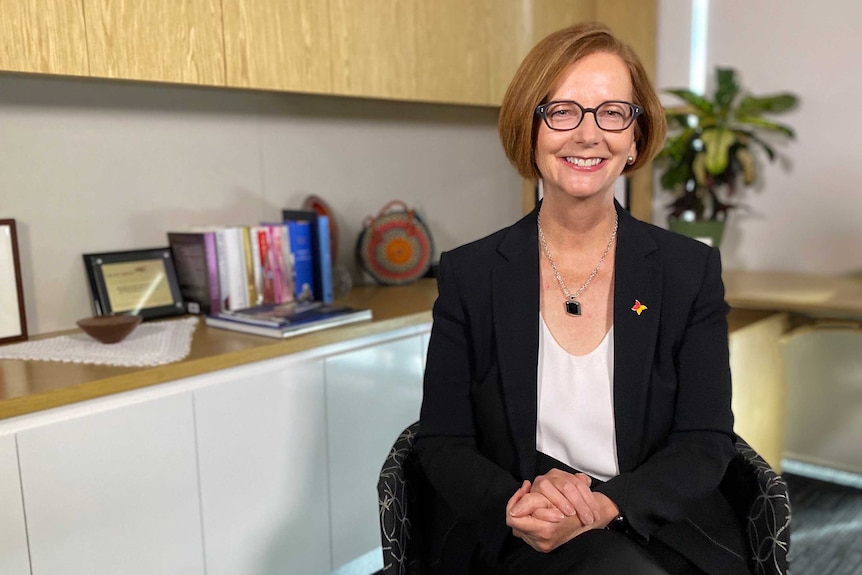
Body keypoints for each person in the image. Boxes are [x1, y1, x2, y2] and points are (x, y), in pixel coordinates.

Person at [415, 22, 752, 575]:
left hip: (653, 523)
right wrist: (520, 503)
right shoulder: (470, 274)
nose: (588, 134)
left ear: (636, 138)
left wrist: (603, 505)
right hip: (515, 525)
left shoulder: (688, 271)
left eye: (612, 112)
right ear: (532, 128)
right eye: (563, 111)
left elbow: (705, 438)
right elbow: (443, 440)